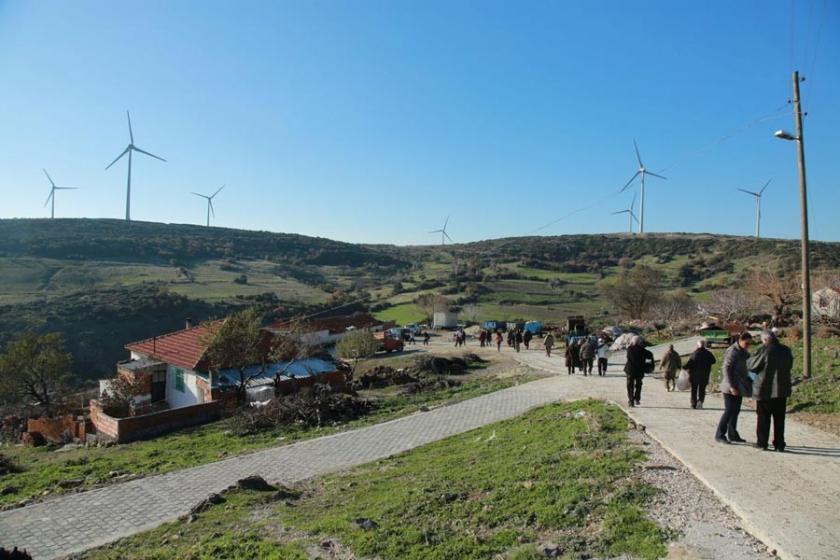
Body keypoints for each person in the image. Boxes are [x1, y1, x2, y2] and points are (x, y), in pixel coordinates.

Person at [748, 331, 793, 452]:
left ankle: (762, 443)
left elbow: (752, 366)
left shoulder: (764, 350)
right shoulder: (786, 350)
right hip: (782, 389)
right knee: (779, 418)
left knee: (763, 417)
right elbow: (790, 365)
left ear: (765, 340)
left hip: (764, 388)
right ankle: (779, 444)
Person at [715, 332, 751, 444]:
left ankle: (733, 434)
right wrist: (731, 386)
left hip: (739, 385)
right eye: (746, 343)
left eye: (749, 343)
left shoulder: (743, 351)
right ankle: (720, 434)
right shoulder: (733, 351)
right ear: (740, 341)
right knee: (729, 410)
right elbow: (726, 368)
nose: (748, 345)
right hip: (730, 386)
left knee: (736, 411)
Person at [685, 339, 717, 409]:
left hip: (694, 376)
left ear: (697, 346)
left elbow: (689, 364)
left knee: (694, 390)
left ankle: (693, 404)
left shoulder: (694, 354)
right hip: (704, 375)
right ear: (704, 346)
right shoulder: (708, 353)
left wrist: (684, 367)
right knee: (702, 389)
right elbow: (714, 361)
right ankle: (700, 402)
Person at [624, 336, 654, 407]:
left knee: (630, 386)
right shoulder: (644, 351)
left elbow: (628, 357)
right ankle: (637, 399)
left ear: (633, 342)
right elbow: (650, 356)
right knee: (638, 385)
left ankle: (631, 401)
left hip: (630, 370)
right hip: (640, 371)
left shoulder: (630, 349)